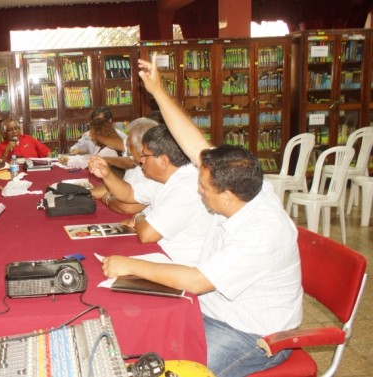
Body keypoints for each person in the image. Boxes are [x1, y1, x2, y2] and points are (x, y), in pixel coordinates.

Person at [102, 53, 302, 376]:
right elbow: (195, 143)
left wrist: (128, 265)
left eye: (204, 188)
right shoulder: (249, 188)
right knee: (141, 345)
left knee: (173, 370)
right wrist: (157, 91)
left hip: (252, 335)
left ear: (227, 195)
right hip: (213, 311)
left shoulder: (262, 233)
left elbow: (196, 281)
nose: (199, 191)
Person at [91, 124, 213, 266]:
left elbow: (147, 234)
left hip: (183, 265)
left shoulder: (185, 187)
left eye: (145, 155)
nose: (141, 160)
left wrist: (138, 217)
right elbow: (129, 193)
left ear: (163, 160)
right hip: (162, 254)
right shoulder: (165, 175)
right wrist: (106, 174)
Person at [89, 117, 162, 215]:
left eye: (129, 145)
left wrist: (107, 197)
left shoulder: (155, 171)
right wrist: (84, 193)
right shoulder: (138, 163)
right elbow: (121, 188)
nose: (127, 149)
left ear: (142, 146)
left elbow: (127, 207)